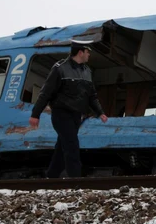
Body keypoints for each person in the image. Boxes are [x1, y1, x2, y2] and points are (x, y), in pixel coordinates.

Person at [29, 40, 108, 178]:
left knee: (62, 147)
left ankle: (51, 175)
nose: (89, 54)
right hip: (61, 114)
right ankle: (75, 180)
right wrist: (35, 114)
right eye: (87, 51)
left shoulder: (87, 71)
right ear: (80, 52)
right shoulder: (60, 68)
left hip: (76, 116)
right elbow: (45, 93)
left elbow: (92, 96)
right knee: (72, 145)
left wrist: (100, 112)